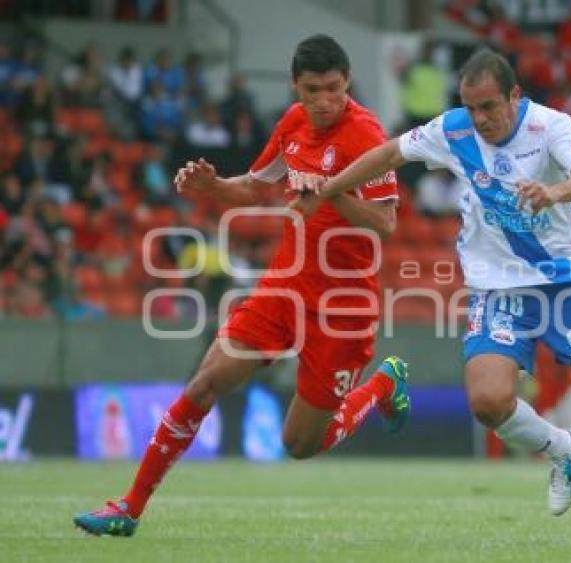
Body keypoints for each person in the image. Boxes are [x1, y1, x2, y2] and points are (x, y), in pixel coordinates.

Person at [303, 48, 571, 544]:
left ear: (515, 96)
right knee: (488, 401)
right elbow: (390, 153)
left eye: (490, 107)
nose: (481, 119)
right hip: (498, 285)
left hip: (566, 281)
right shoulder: (453, 130)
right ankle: (562, 449)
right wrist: (330, 188)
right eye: (472, 107)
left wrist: (553, 193)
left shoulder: (550, 127)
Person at [73, 34, 410, 537]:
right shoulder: (294, 124)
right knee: (205, 382)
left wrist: (330, 196)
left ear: (348, 84)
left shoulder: (365, 135)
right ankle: (129, 507)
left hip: (343, 303)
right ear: (295, 85)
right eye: (313, 89)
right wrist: (213, 188)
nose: (323, 101)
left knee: (299, 444)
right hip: (284, 285)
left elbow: (385, 225)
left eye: (334, 89)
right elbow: (254, 186)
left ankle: (382, 383)